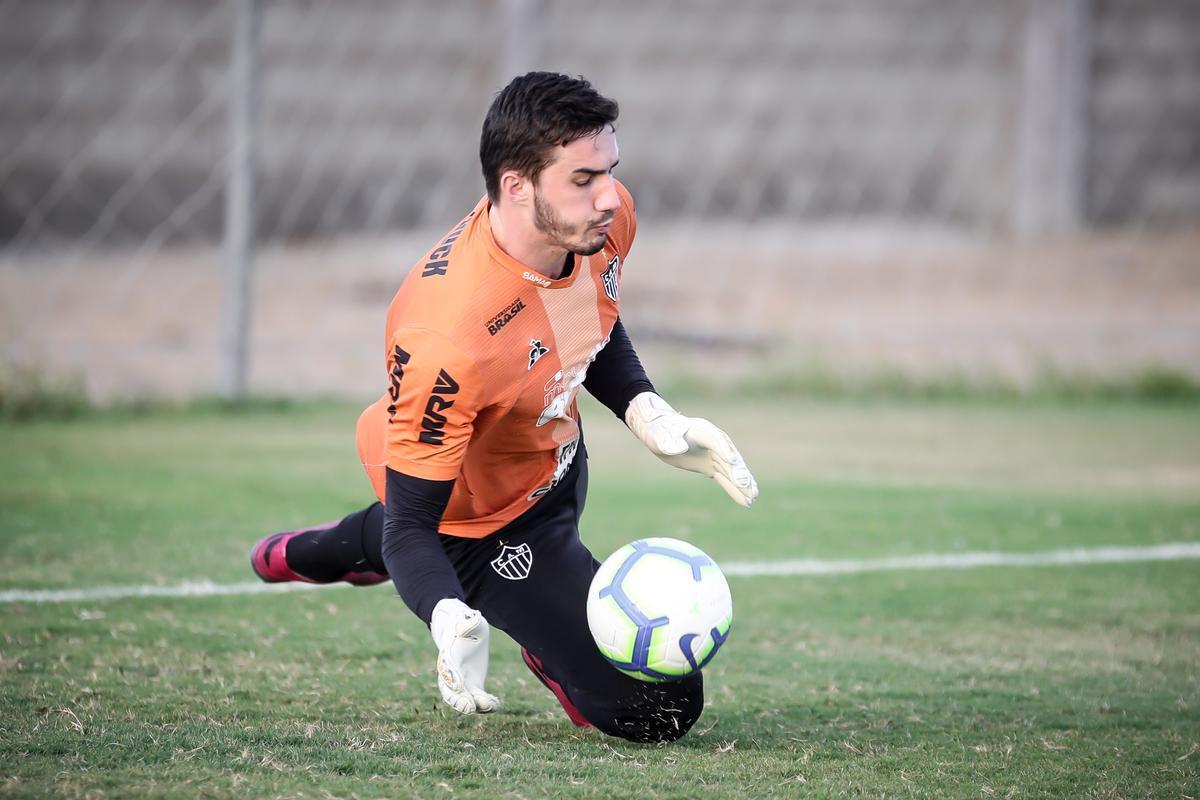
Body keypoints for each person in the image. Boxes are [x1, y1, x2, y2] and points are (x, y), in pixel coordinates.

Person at [249, 72, 758, 743]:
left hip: (551, 463)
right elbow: (414, 529)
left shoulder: (597, 221)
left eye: (610, 170)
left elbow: (583, 322)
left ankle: (360, 541)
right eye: (583, 178)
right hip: (480, 526)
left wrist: (646, 411)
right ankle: (355, 547)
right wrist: (443, 610)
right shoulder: (448, 338)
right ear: (517, 185)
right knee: (661, 710)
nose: (609, 196)